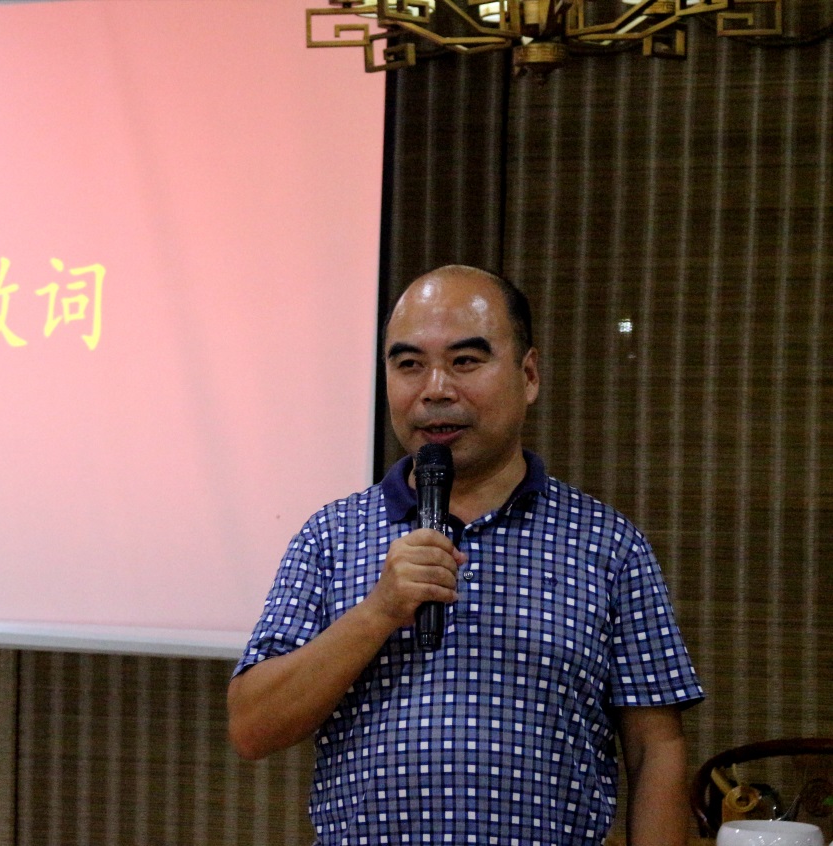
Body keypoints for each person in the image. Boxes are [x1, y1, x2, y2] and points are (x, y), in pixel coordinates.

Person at [227, 265, 703, 845]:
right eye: (409, 365)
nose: (435, 389)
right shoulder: (330, 536)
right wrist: (378, 612)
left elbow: (656, 748)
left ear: (529, 375)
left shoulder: (608, 544)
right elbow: (252, 727)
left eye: (465, 361)